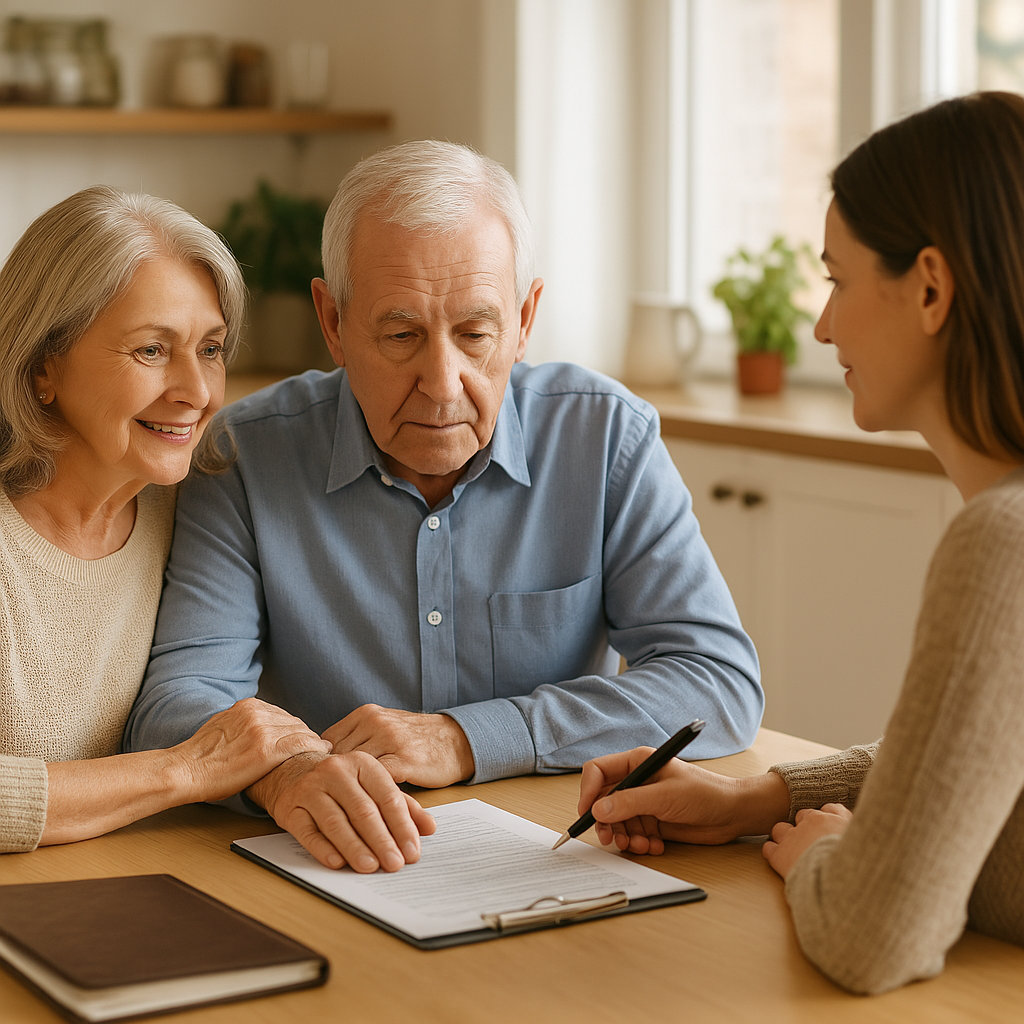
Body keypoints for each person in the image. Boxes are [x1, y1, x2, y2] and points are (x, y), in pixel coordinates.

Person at [125, 139, 763, 874]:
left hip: (553, 863)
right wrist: (285, 771)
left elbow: (716, 681)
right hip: (334, 863)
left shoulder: (606, 438)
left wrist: (468, 737)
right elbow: (177, 704)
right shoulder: (244, 456)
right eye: (400, 335)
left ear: (525, 320)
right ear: (332, 323)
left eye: (475, 333)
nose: (442, 381)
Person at [576, 91, 1024, 995]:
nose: (822, 325)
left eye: (839, 280)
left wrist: (825, 858)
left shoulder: (1004, 546)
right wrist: (760, 798)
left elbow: (870, 937)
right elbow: (950, 759)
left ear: (931, 288)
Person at [0, 185, 332, 854]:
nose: (200, 392)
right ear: (44, 366)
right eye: (152, 350)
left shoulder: (193, 507)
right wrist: (188, 768)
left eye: (210, 349)